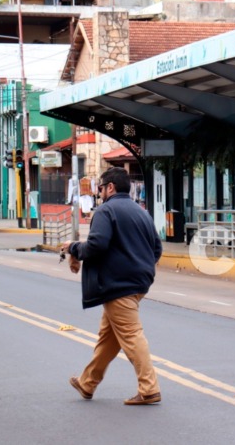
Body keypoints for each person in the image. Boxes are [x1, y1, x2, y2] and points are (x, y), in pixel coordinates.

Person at [61, 166, 163, 405]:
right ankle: (87, 382)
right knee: (108, 337)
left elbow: (97, 245)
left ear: (110, 187)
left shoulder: (106, 211)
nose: (99, 193)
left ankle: (149, 388)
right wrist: (141, 266)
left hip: (118, 285)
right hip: (139, 283)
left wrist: (74, 248)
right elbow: (157, 249)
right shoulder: (142, 212)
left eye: (100, 188)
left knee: (131, 335)